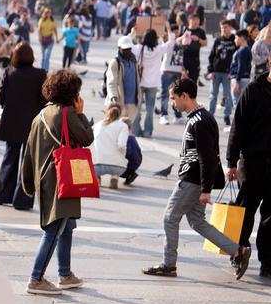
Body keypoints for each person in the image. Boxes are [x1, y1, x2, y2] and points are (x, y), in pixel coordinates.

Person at [143, 78, 251, 279]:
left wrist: (205, 189)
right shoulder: (201, 117)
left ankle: (168, 265)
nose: (173, 103)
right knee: (197, 222)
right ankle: (238, 251)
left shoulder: (199, 121)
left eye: (175, 98)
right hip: (195, 179)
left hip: (191, 180)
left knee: (170, 218)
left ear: (185, 96)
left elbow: (207, 157)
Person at [21, 69, 94, 295]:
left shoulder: (40, 115)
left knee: (67, 226)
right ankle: (36, 278)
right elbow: (87, 138)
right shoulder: (66, 114)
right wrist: (81, 114)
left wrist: (27, 183)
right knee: (54, 229)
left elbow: (29, 152)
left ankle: (65, 273)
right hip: (62, 179)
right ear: (71, 93)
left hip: (45, 179)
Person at [226, 65, 271, 279]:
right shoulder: (253, 90)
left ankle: (268, 262)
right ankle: (238, 254)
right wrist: (231, 161)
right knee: (244, 213)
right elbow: (238, 126)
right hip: (252, 162)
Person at [0, 43, 46, 209]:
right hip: (31, 123)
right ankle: (22, 200)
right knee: (28, 162)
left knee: (9, 158)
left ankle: (3, 195)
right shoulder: (40, 74)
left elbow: (1, 98)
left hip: (12, 122)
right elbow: (43, 100)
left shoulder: (9, 72)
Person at [131, 29, 165, 138]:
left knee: (137, 108)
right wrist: (162, 36)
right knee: (150, 109)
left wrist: (132, 33)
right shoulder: (159, 50)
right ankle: (147, 131)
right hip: (153, 84)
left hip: (140, 83)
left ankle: (136, 131)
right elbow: (171, 43)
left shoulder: (138, 49)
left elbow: (125, 42)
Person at [208, 20, 238, 128]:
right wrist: (210, 71)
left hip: (227, 73)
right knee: (213, 95)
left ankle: (227, 116)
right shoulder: (218, 40)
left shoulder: (234, 40)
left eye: (225, 27)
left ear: (230, 28)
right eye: (222, 28)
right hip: (216, 72)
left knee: (228, 96)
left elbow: (237, 58)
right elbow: (211, 56)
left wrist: (233, 72)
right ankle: (210, 116)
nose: (223, 29)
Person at [91, 103, 130, 187]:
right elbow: (121, 145)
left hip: (96, 165)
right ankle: (114, 177)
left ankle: (97, 178)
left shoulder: (98, 125)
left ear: (107, 112)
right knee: (119, 161)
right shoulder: (123, 126)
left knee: (95, 163)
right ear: (120, 113)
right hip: (117, 166)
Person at [230, 29, 252, 112]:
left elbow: (241, 67)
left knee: (238, 103)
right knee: (242, 103)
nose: (234, 40)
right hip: (244, 78)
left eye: (236, 38)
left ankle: (238, 124)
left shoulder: (242, 51)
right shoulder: (246, 49)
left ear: (242, 38)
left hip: (239, 79)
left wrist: (237, 82)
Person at [180, 13, 207, 83]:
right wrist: (183, 37)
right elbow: (178, 40)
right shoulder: (184, 29)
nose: (196, 22)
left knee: (193, 82)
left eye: (198, 20)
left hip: (195, 59)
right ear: (189, 20)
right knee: (183, 82)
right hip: (183, 58)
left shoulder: (201, 31)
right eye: (194, 20)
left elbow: (205, 43)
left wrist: (198, 39)